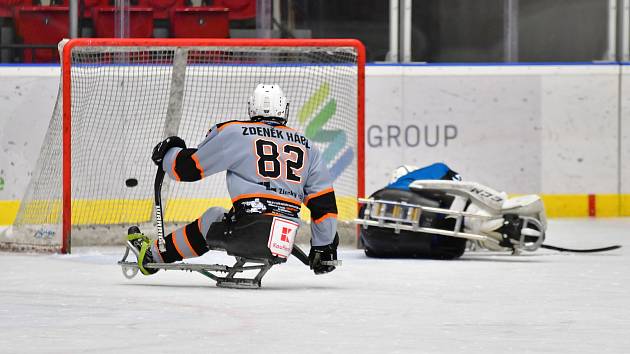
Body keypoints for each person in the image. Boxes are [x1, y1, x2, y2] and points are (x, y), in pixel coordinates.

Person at [128, 84, 339, 275]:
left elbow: (188, 170)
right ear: (285, 109)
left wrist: (168, 154)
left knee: (212, 217)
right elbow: (324, 205)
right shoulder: (308, 146)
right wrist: (324, 248)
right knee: (239, 219)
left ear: (251, 108)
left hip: (248, 230)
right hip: (285, 238)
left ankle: (154, 255)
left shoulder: (235, 132)